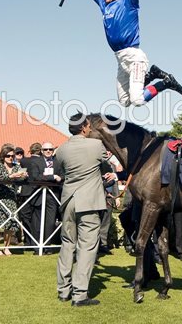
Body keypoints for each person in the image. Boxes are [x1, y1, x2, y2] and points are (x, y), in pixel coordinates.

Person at [55, 113, 107, 307]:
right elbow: (105, 164)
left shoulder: (61, 150)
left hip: (68, 201)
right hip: (89, 202)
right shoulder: (95, 145)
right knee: (87, 247)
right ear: (85, 127)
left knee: (67, 244)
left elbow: (59, 171)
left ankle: (63, 290)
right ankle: (80, 294)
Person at [0, 145, 27, 256]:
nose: (10, 158)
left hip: (11, 197)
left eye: (12, 155)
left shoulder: (16, 166)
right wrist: (12, 176)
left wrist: (23, 175)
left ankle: (6, 247)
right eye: (8, 155)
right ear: (3, 155)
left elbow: (21, 178)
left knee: (11, 223)